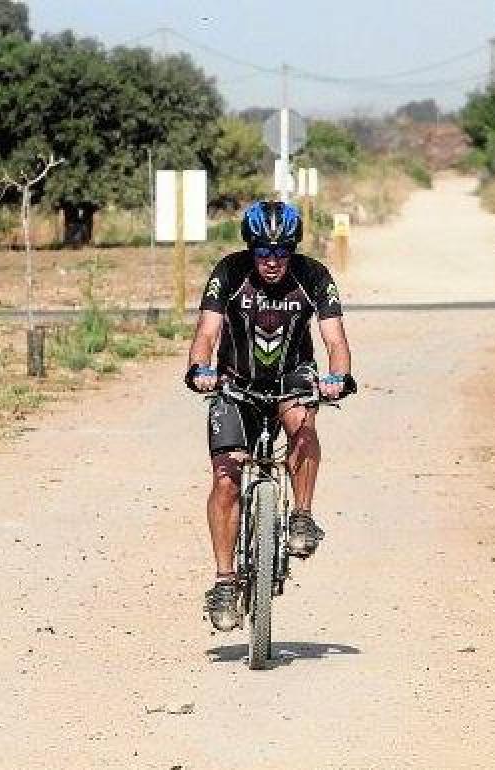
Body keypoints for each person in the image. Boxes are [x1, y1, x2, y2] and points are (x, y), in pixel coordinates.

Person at [184, 200, 355, 632]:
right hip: (233, 379)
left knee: (304, 426)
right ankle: (225, 581)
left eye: (281, 252)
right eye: (263, 252)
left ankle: (301, 515)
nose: (273, 261)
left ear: (293, 250)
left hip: (291, 377)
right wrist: (200, 370)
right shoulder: (228, 271)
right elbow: (206, 333)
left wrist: (339, 376)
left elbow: (334, 339)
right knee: (225, 478)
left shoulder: (313, 275)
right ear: (251, 249)